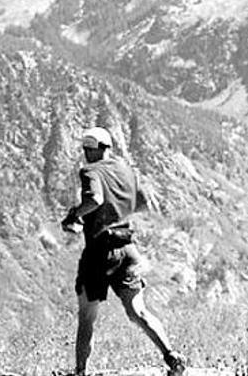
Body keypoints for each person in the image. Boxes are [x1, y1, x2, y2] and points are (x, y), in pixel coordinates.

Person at [60, 126, 187, 376]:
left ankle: (80, 372)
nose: (85, 153)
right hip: (127, 249)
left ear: (91, 149)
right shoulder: (125, 168)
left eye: (86, 149)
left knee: (87, 316)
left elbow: (94, 200)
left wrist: (75, 214)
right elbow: (143, 202)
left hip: (98, 253)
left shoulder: (89, 171)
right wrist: (116, 214)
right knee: (138, 311)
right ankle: (171, 356)